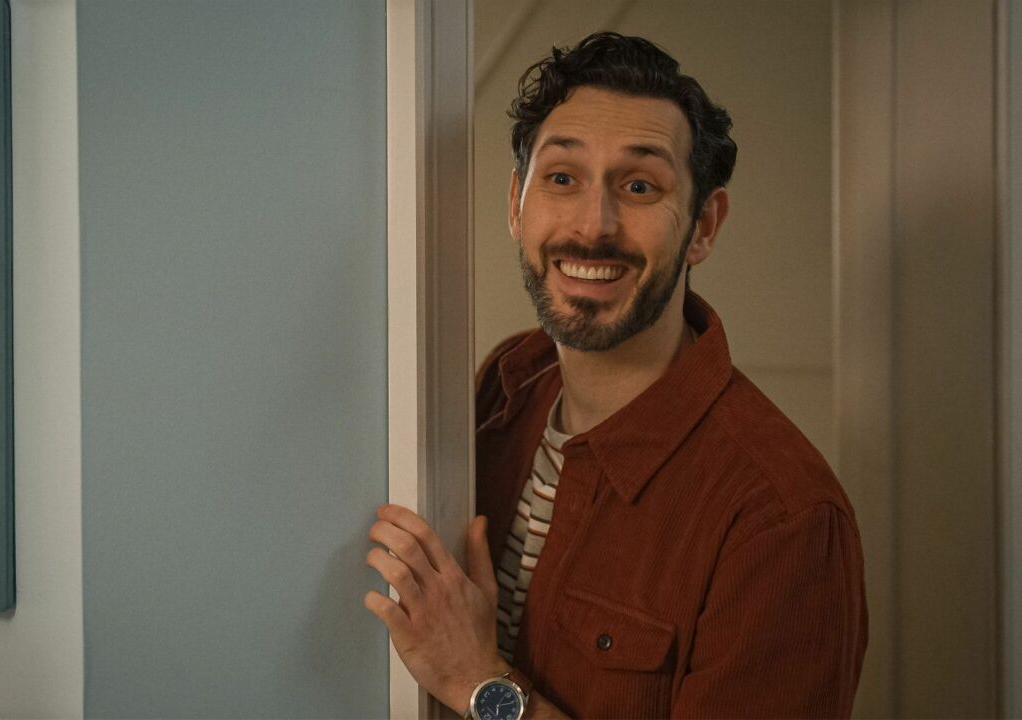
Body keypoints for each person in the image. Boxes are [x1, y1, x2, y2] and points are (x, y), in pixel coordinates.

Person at [364, 32, 867, 719]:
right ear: (516, 204)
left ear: (703, 226)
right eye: (561, 178)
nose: (593, 226)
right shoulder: (501, 388)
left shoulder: (783, 520)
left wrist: (476, 681)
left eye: (639, 186)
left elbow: (464, 673)